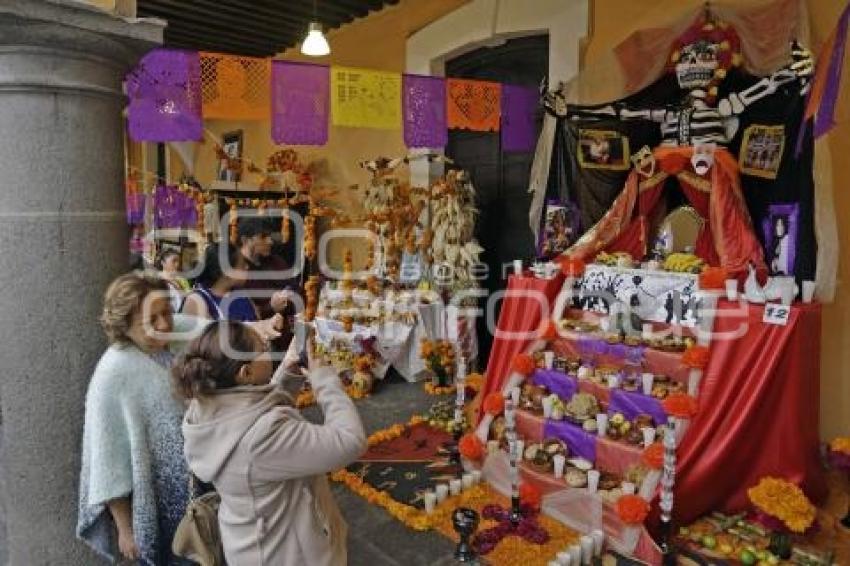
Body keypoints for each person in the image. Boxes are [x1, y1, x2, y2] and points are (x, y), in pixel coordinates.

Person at [174, 321, 366, 566]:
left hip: (249, 543)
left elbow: (250, 410)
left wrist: (287, 373)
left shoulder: (204, 407)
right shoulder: (263, 436)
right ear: (246, 373)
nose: (269, 349)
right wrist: (325, 381)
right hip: (287, 553)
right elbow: (350, 441)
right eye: (262, 348)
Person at [77, 272, 191, 565]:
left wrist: (260, 327)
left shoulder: (172, 340)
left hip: (198, 499)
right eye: (152, 321)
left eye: (167, 312)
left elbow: (210, 330)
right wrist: (126, 529)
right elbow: (108, 460)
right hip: (154, 504)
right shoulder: (112, 375)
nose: (165, 325)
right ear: (124, 325)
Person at [181, 242, 259, 322]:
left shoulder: (241, 293)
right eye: (242, 265)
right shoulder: (197, 300)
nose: (247, 267)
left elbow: (257, 321)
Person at [157, 249, 191, 313]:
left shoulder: (182, 279)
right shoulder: (156, 279)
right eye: (174, 261)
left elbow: (188, 297)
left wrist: (177, 285)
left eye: (178, 261)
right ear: (163, 263)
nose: (177, 264)